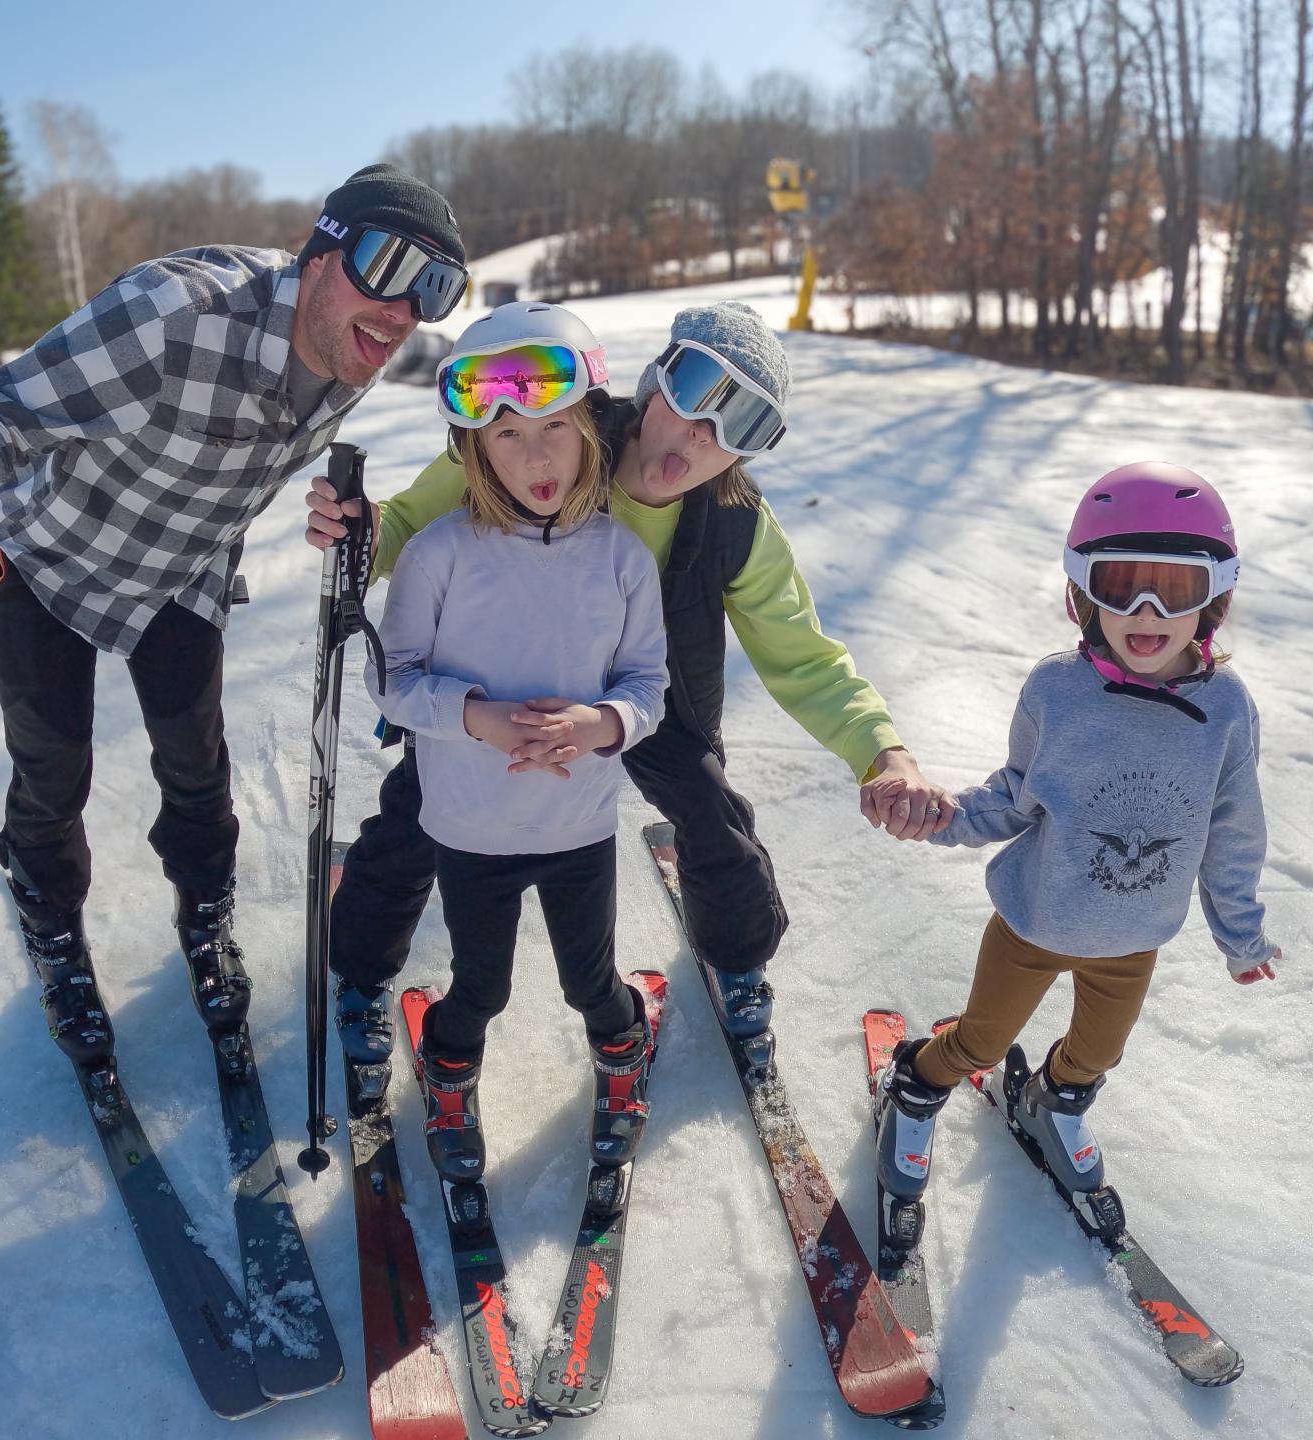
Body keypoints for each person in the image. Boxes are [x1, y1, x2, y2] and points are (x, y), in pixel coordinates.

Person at [0, 164, 468, 1073]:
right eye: (388, 265)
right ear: (320, 251)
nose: (401, 312)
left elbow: (472, 390)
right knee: (53, 763)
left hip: (180, 571)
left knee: (198, 762)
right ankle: (56, 934)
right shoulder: (173, 315)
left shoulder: (356, 352)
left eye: (433, 290)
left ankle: (205, 914)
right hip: (47, 557)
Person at [306, 300, 952, 1056]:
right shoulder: (553, 422)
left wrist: (885, 754)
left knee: (711, 814)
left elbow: (804, 657)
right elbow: (416, 525)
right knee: (425, 807)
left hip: (643, 694)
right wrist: (360, 531)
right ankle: (360, 965)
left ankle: (736, 958)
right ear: (655, 383)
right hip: (506, 686)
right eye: (696, 392)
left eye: (740, 424)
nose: (702, 434)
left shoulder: (736, 523)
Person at [873, 463, 1281, 1213]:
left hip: (1134, 941)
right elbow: (1017, 796)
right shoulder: (1057, 690)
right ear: (1083, 591)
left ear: (1214, 598)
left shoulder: (1225, 709)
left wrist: (1241, 935)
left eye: (1177, 588)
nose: (1147, 609)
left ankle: (1053, 1103)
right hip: (1035, 922)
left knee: (1097, 1055)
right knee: (978, 1045)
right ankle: (915, 1086)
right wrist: (939, 818)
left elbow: (1233, 829)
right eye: (1121, 583)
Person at [356, 301, 667, 1179]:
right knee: (481, 986)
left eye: (555, 428)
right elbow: (392, 678)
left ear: (593, 431)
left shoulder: (622, 560)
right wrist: (475, 715)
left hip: (579, 830)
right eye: (505, 436)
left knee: (589, 983)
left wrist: (602, 723)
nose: (534, 456)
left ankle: (622, 1045)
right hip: (470, 831)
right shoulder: (440, 556)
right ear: (471, 451)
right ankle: (448, 1065)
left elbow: (649, 685)